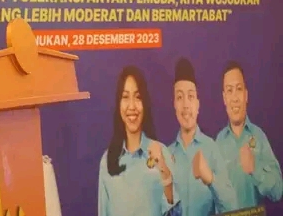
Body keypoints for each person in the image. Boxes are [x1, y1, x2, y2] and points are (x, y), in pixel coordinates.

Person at [97, 65, 180, 216]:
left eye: (138, 97)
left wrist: (164, 172)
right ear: (118, 104)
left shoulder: (162, 153)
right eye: (125, 97)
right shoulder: (107, 161)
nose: (132, 106)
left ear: (145, 103)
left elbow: (177, 213)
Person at [167, 58, 237, 216]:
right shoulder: (167, 155)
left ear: (198, 104)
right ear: (174, 105)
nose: (186, 105)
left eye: (191, 96)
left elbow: (232, 208)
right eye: (180, 97)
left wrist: (210, 179)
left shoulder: (211, 149)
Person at [215, 61, 283, 209]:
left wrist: (255, 169)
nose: (235, 98)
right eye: (229, 91)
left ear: (246, 95)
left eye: (239, 89)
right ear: (224, 98)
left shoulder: (259, 137)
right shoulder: (217, 143)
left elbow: (278, 191)